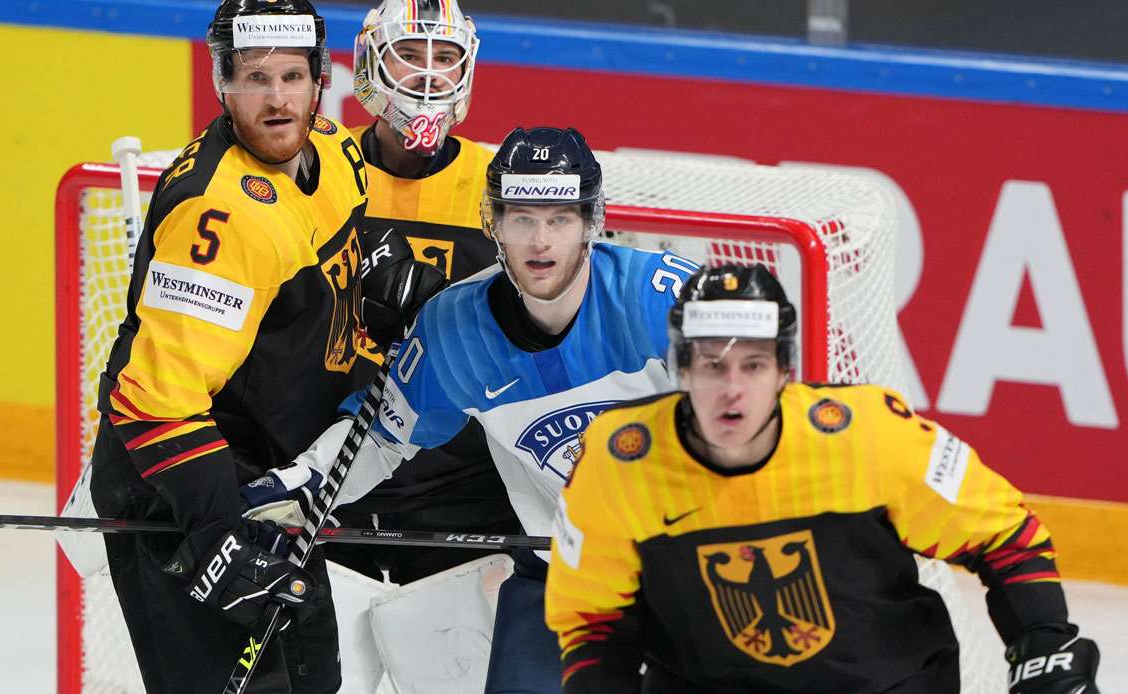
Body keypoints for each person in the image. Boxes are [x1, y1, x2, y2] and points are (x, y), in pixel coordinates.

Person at [544, 264, 1102, 694]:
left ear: (786, 370)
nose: (732, 388)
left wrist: (1041, 643)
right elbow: (593, 619)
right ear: (681, 367)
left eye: (754, 365)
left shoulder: (869, 435)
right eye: (712, 364)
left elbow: (1003, 534)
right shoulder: (619, 463)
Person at [281, 125, 701, 693]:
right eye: (521, 218)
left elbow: (754, 423)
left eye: (559, 219)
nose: (540, 242)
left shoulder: (660, 301)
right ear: (494, 224)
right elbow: (378, 437)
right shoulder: (455, 330)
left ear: (591, 225)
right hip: (562, 577)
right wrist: (295, 489)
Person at [85, 1, 430, 691]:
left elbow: (322, 281)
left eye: (294, 77)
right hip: (184, 493)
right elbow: (154, 403)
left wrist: (371, 295)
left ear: (319, 80)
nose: (277, 100)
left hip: (271, 481)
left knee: (311, 679)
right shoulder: (220, 219)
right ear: (222, 84)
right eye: (255, 78)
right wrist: (217, 535)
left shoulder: (335, 154)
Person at [321, 0, 522, 588]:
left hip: (463, 498)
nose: (429, 74)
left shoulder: (500, 187)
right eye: (409, 55)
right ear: (368, 63)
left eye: (446, 57)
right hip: (334, 479)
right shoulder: (322, 172)